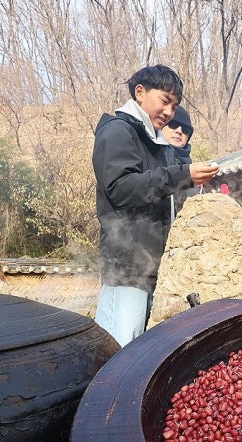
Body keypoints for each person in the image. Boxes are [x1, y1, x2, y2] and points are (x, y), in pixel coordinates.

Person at [93, 65, 219, 346]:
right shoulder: (118, 132)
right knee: (118, 350)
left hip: (153, 268)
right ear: (140, 92)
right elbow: (121, 189)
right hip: (127, 267)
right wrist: (183, 175)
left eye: (174, 106)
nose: (169, 112)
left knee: (139, 354)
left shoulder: (157, 143)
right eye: (165, 101)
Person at [161, 105, 197, 221]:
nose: (179, 131)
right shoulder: (148, 161)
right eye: (173, 125)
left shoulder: (194, 171)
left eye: (185, 130)